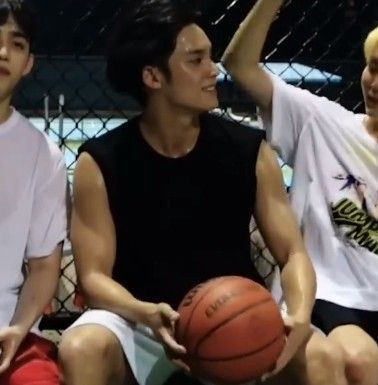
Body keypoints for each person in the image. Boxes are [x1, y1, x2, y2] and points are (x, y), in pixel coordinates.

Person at [58, 1, 347, 384]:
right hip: (142, 321)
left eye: (211, 57)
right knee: (82, 348)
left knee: (320, 356)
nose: (214, 70)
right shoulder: (101, 161)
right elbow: (93, 277)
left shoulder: (250, 150)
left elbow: (293, 253)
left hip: (235, 318)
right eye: (196, 60)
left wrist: (297, 315)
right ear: (153, 77)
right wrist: (144, 311)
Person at [222, 1, 378, 384]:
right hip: (329, 295)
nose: (376, 85)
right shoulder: (322, 122)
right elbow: (240, 64)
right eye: (373, 67)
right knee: (356, 357)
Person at [0, 1, 68, 385]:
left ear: (27, 64)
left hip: (9, 327)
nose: (3, 52)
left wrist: (19, 329)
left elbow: (43, 267)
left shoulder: (43, 155)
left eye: (17, 44)